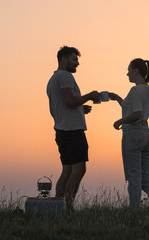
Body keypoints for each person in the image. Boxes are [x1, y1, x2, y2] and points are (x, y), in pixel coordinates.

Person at [46, 46, 101, 209]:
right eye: (74, 59)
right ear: (63, 60)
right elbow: (70, 101)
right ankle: (67, 207)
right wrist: (90, 96)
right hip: (72, 132)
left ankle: (57, 207)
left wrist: (79, 108)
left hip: (62, 131)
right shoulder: (65, 76)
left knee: (67, 170)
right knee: (79, 169)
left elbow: (63, 105)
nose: (77, 63)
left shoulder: (54, 78)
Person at [109, 58, 149, 208]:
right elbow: (133, 109)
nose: (127, 74)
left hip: (133, 133)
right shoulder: (147, 90)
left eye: (129, 70)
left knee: (134, 175)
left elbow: (136, 114)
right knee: (144, 175)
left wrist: (119, 122)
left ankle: (134, 209)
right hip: (146, 133)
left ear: (136, 71)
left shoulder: (135, 90)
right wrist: (118, 99)